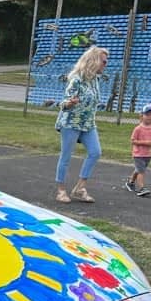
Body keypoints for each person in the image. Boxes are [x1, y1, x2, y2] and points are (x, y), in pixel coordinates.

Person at [53, 45, 109, 204]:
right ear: (94, 61)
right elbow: (63, 104)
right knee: (66, 156)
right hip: (71, 122)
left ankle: (80, 187)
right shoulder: (76, 79)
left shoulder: (95, 80)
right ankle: (61, 190)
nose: (106, 64)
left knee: (95, 152)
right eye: (104, 62)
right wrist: (70, 103)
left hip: (88, 124)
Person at [125, 103, 151, 197]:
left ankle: (130, 182)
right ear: (142, 115)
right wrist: (145, 143)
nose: (150, 117)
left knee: (139, 169)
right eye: (147, 115)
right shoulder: (138, 128)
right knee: (141, 171)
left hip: (148, 154)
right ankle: (141, 188)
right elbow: (133, 141)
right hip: (138, 154)